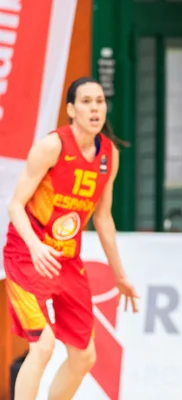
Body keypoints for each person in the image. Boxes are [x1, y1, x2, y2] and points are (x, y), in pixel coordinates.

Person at [3, 77, 139, 400]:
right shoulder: (52, 146)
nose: (95, 108)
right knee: (44, 345)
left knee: (84, 356)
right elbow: (15, 205)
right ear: (70, 109)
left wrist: (120, 275)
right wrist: (36, 246)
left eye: (100, 101)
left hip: (67, 258)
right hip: (27, 254)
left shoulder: (109, 155)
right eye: (87, 102)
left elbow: (103, 219)